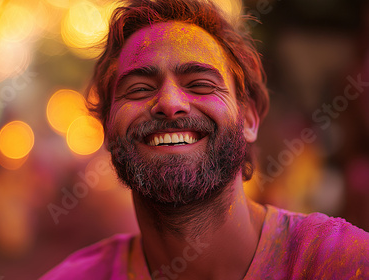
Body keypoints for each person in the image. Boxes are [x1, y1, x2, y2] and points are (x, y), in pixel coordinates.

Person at [41, 0, 369, 279]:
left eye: (200, 83)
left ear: (250, 119)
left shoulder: (342, 263)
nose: (170, 103)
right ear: (108, 129)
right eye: (139, 89)